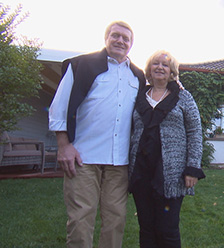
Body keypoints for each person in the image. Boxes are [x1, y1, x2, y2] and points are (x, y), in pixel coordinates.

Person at [48, 21, 146, 248]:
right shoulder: (82, 65)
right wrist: (64, 146)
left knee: (116, 221)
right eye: (116, 36)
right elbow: (58, 107)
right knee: (81, 221)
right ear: (106, 38)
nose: (121, 41)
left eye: (126, 38)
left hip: (118, 163)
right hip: (83, 159)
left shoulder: (137, 76)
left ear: (131, 44)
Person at [129, 50, 205, 248]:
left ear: (172, 71)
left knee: (167, 229)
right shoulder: (138, 97)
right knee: (146, 228)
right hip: (141, 172)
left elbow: (195, 132)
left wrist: (192, 168)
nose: (160, 67)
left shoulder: (183, 97)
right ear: (149, 69)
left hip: (171, 174)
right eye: (155, 64)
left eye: (165, 65)